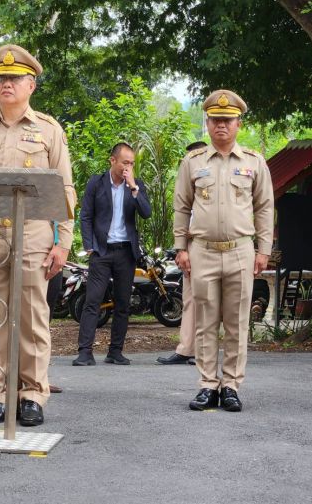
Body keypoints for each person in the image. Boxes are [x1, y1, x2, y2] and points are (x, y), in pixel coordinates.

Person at [0, 44, 76, 427]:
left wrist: (63, 243)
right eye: (1, 78)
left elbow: (65, 189)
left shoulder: (47, 130)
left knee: (31, 318)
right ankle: (2, 394)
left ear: (31, 85)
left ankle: (32, 394)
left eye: (14, 78)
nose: (6, 83)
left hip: (34, 235)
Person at [173, 90, 273, 412]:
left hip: (241, 251)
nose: (221, 126)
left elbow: (265, 208)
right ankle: (206, 385)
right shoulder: (193, 162)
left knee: (236, 321)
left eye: (228, 120)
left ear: (238, 124)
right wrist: (180, 247)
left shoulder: (254, 163)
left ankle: (230, 385)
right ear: (208, 121)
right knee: (205, 321)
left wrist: (263, 249)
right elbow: (181, 206)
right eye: (216, 120)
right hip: (201, 250)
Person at [73, 143, 151, 366]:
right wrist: (89, 245)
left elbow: (146, 213)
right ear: (113, 161)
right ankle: (85, 352)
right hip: (102, 251)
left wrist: (134, 187)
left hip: (126, 252)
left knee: (123, 303)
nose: (128, 167)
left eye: (132, 163)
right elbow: (86, 215)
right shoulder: (96, 183)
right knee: (93, 300)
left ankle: (115, 351)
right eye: (125, 162)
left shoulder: (135, 186)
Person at [157, 141, 206, 366]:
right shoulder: (187, 186)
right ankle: (186, 349)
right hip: (191, 246)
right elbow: (183, 217)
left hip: (211, 247)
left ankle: (205, 352)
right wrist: (181, 249)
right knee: (189, 300)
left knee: (208, 301)